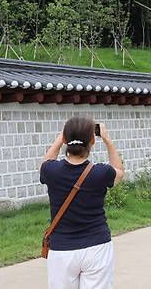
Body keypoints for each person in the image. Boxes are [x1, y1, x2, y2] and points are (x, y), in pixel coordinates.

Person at [39, 116, 124, 289]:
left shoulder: (51, 171)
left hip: (62, 249)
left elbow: (43, 164)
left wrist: (59, 140)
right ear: (92, 141)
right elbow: (120, 172)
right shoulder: (101, 172)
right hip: (97, 246)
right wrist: (108, 140)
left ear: (65, 140)